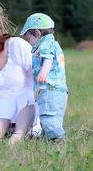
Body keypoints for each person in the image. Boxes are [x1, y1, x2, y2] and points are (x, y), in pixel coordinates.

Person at [20, 13, 68, 143]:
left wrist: (43, 73)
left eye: (29, 38)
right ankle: (47, 139)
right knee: (48, 115)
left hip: (49, 89)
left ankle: (58, 140)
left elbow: (48, 59)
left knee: (49, 116)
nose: (29, 42)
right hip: (56, 90)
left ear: (37, 33)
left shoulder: (45, 45)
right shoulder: (53, 44)